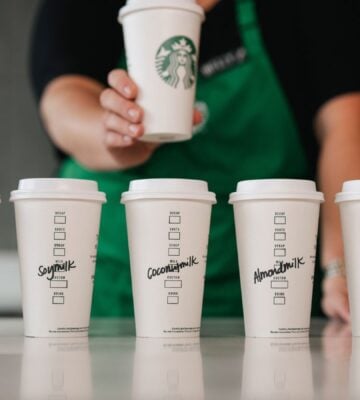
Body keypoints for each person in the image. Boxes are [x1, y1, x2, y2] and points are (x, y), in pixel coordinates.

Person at [30, 0, 360, 320]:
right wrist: (113, 131)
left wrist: (341, 266)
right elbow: (62, 99)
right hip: (110, 295)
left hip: (269, 291)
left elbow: (345, 125)